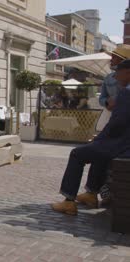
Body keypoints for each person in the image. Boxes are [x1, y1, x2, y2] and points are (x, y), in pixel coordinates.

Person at [51, 59, 130, 216]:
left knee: (77, 154)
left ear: (128, 72)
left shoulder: (127, 93)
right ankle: (92, 194)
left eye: (117, 73)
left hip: (122, 145)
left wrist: (99, 139)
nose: (114, 77)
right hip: (124, 144)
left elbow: (117, 124)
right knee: (98, 153)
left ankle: (68, 201)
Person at [97, 45, 130, 205]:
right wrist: (106, 102)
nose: (112, 60)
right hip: (111, 118)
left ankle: (108, 190)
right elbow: (102, 98)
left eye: (115, 57)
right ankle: (102, 191)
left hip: (123, 122)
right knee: (102, 154)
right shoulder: (108, 78)